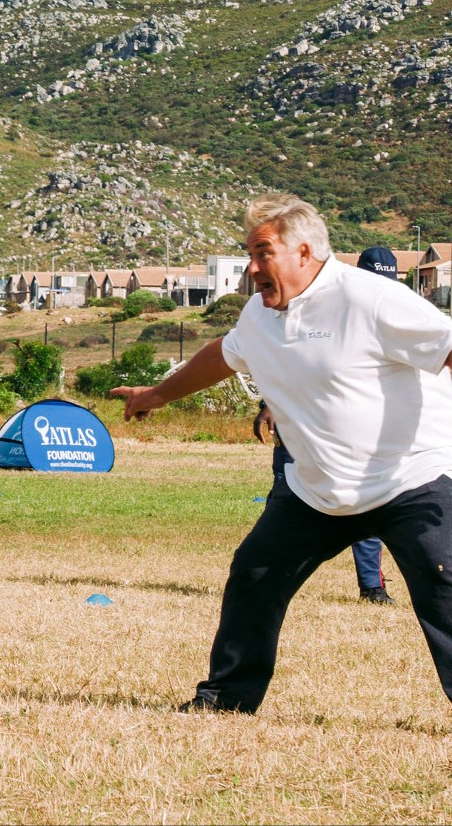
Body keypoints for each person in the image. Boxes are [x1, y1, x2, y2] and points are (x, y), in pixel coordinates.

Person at [113, 194, 452, 713]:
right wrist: (154, 395)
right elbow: (221, 357)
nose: (251, 268)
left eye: (262, 253)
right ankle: (226, 699)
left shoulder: (368, 298)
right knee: (254, 577)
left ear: (305, 252)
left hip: (411, 480)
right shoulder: (259, 316)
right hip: (316, 491)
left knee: (445, 594)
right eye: (248, 254)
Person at [249, 244, 404, 605]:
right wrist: (269, 404)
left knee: (366, 504)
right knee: (285, 506)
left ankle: (372, 587)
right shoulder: (321, 307)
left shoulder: (396, 315)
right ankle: (267, 581)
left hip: (359, 436)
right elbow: (290, 360)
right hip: (300, 429)